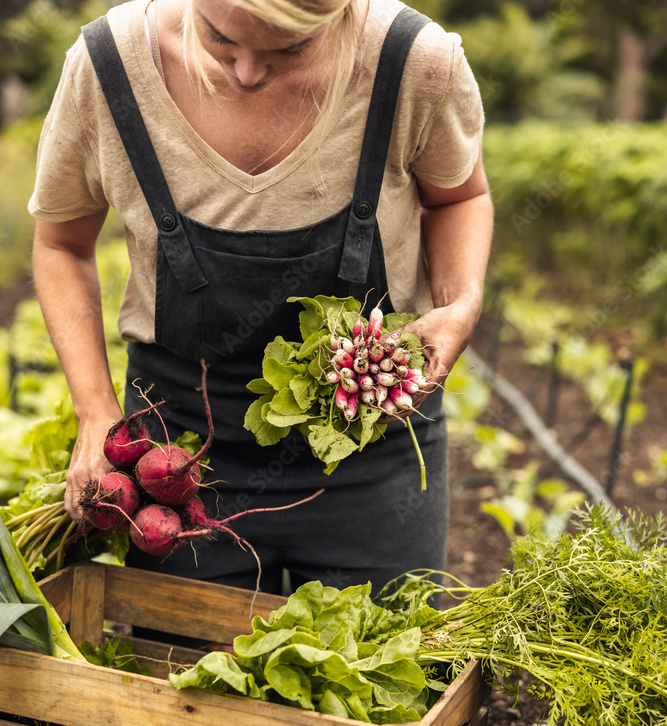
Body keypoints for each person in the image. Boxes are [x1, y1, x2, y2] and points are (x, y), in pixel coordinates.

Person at [29, 0, 493, 598]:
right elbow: (62, 244)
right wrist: (95, 413)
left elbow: (458, 197)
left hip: (372, 440)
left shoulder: (413, 64)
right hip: (178, 459)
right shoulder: (109, 66)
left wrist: (460, 303)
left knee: (382, 676)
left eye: (289, 49)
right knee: (182, 678)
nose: (246, 73)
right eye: (220, 37)